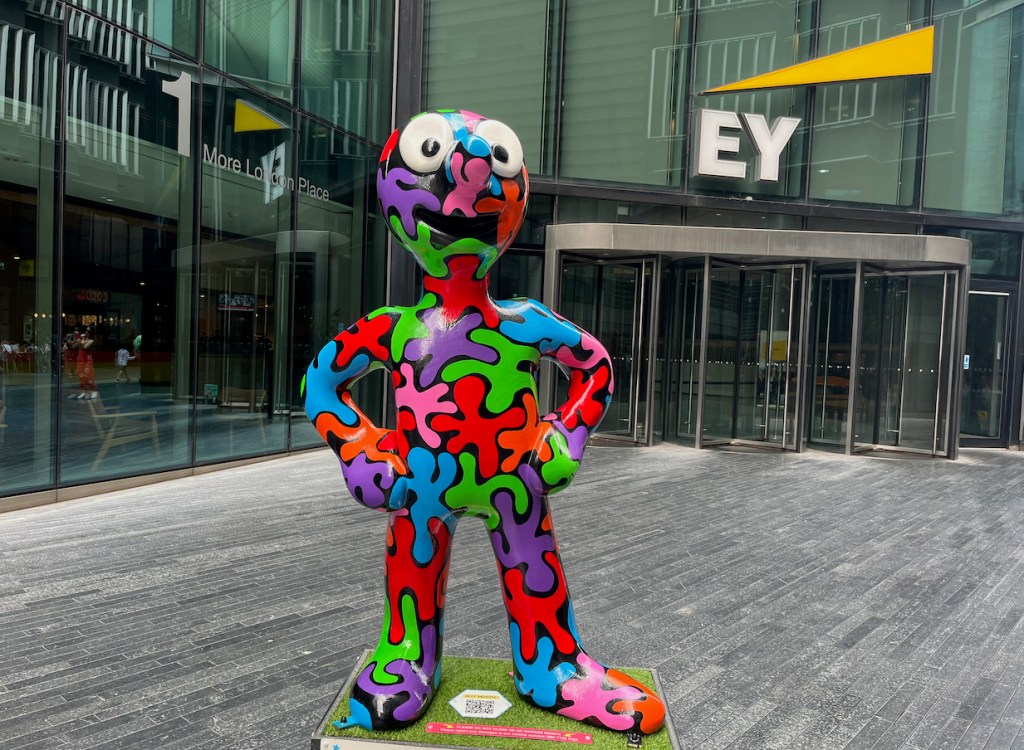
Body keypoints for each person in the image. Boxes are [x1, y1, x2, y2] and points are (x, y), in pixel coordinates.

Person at [73, 325, 97, 399]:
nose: (86, 332)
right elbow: (74, 346)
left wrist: (79, 340)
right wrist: (76, 338)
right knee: (81, 376)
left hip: (87, 360)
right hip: (80, 359)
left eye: (88, 331)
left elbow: (85, 347)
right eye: (86, 330)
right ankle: (84, 391)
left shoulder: (91, 340)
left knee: (89, 376)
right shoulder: (82, 338)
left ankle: (93, 391)